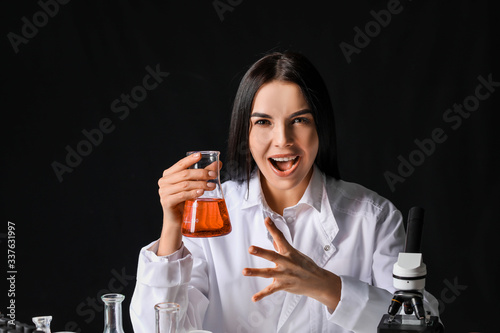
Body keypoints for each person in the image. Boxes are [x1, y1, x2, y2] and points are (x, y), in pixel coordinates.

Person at [130, 51, 440, 332]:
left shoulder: (373, 217)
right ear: (245, 132)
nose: (283, 140)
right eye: (263, 122)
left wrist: (330, 287)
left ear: (321, 129)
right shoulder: (212, 215)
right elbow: (157, 329)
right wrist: (172, 226)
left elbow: (420, 326)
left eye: (300, 120)